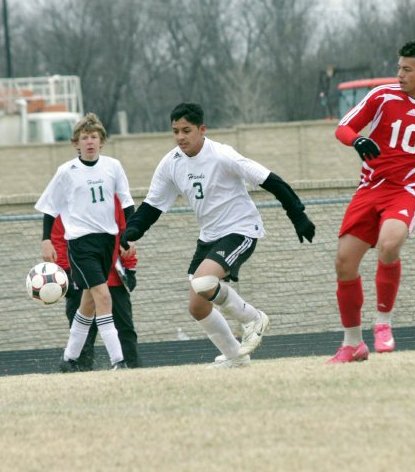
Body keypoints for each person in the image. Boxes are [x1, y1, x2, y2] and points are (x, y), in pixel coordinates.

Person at [120, 102, 316, 368]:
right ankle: (236, 357)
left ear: (202, 130)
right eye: (175, 131)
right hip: (209, 236)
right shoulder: (171, 163)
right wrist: (131, 232)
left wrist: (298, 216)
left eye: (186, 130)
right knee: (197, 306)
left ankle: (253, 318)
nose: (180, 137)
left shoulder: (223, 155)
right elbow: (152, 205)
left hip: (241, 230)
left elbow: (271, 180)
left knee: (203, 282)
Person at [329, 40, 415, 364]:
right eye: (398, 68)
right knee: (344, 264)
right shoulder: (382, 97)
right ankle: (353, 344)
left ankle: (384, 324)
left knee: (389, 245)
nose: (399, 74)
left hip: (408, 191)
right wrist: (358, 139)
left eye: (407, 69)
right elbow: (343, 128)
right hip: (370, 188)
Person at [35, 113, 135, 371]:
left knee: (89, 303)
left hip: (108, 243)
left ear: (101, 141)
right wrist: (47, 240)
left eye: (94, 137)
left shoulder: (113, 166)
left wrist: (129, 237)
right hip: (80, 244)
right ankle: (118, 361)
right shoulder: (66, 172)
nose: (89, 142)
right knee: (103, 296)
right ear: (76, 143)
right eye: (84, 138)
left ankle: (69, 359)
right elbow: (49, 207)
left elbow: (126, 203)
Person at [51, 195, 141, 370]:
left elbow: (125, 234)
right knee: (86, 333)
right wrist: (68, 274)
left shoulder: (113, 198)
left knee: (126, 331)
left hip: (114, 279)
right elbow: (59, 240)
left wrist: (130, 268)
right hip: (81, 279)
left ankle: (131, 368)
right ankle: (79, 370)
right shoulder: (67, 202)